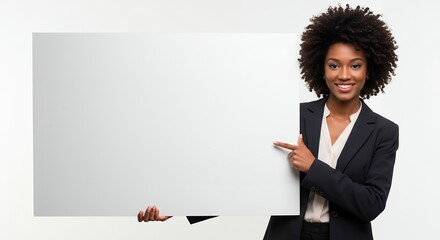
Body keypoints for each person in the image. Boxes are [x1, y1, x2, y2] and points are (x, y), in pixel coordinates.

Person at [138, 4, 399, 240]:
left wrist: (313, 167)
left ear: (369, 69)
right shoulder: (291, 115)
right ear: (321, 68)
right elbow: (249, 181)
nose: (344, 75)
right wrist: (179, 208)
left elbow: (371, 203)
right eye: (334, 65)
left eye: (355, 66)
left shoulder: (383, 131)